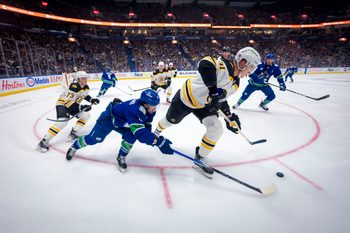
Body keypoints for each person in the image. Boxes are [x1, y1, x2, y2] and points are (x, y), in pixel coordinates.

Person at [153, 47, 261, 178]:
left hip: (203, 105)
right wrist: (214, 91)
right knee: (169, 121)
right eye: (252, 67)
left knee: (216, 128)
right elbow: (204, 63)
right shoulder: (224, 66)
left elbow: (222, 100)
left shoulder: (236, 83)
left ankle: (200, 158)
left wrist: (230, 116)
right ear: (243, 63)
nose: (251, 71)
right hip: (186, 98)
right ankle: (157, 132)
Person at [65, 89, 174, 173]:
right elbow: (141, 134)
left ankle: (121, 156)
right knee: (93, 139)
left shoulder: (150, 110)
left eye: (156, 106)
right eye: (153, 106)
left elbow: (147, 124)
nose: (155, 109)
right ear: (145, 104)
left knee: (131, 137)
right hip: (108, 120)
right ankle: (74, 146)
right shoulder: (134, 110)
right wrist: (157, 141)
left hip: (123, 123)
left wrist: (152, 138)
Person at [37, 71, 100, 152]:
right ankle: (43, 142)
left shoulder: (86, 87)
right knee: (62, 123)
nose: (85, 80)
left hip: (73, 105)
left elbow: (84, 95)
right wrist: (81, 107)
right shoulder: (74, 86)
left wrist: (91, 99)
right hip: (63, 104)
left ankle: (73, 133)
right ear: (78, 79)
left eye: (86, 78)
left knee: (86, 115)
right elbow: (68, 102)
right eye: (83, 78)